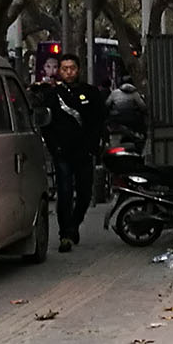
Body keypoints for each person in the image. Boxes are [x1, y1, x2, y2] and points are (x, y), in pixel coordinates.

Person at [32, 53, 104, 251]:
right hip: (62, 152)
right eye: (65, 69)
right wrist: (54, 147)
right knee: (64, 192)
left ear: (78, 69)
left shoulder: (91, 93)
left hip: (84, 152)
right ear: (60, 71)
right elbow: (45, 125)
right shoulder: (52, 95)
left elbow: (99, 121)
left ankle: (74, 224)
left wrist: (94, 146)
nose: (69, 72)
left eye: (72, 68)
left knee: (85, 193)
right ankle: (65, 234)